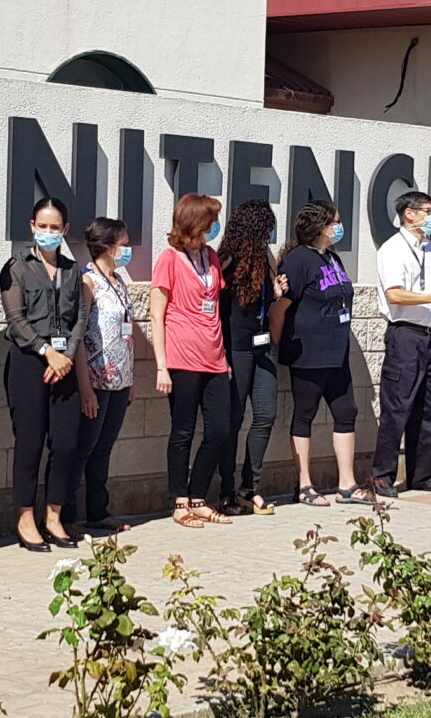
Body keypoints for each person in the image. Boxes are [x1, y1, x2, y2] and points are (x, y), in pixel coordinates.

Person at [0, 198, 89, 549]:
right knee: (30, 442)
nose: (48, 232)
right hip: (30, 362)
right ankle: (25, 518)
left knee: (66, 444)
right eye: (43, 226)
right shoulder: (17, 267)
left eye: (55, 227)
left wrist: (66, 355)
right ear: (32, 226)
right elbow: (15, 319)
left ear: (65, 229)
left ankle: (54, 515)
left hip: (64, 363)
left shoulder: (71, 269)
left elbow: (80, 317)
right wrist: (46, 351)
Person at [271, 200, 364, 505]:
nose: (340, 227)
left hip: (337, 352)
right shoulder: (298, 261)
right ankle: (304, 486)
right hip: (308, 353)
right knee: (305, 414)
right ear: (321, 226)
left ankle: (347, 484)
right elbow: (280, 308)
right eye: (336, 222)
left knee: (346, 412)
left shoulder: (332, 259)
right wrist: (277, 342)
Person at [373, 190, 431, 497]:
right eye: (427, 210)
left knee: (428, 409)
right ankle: (382, 476)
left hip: (429, 336)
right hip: (404, 335)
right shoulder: (392, 249)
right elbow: (395, 294)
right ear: (409, 213)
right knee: (397, 408)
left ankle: (421, 475)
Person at [154, 192, 234, 526]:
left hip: (214, 358)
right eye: (211, 220)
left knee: (220, 430)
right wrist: (162, 366)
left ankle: (199, 494)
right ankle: (180, 501)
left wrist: (225, 358)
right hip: (182, 358)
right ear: (195, 222)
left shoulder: (211, 256)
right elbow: (157, 314)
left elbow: (213, 306)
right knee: (183, 431)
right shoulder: (169, 259)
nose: (215, 226)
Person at [66, 217, 145, 534]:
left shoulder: (119, 280)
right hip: (96, 379)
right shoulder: (89, 282)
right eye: (123, 243)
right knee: (83, 447)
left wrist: (131, 378)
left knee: (104, 447)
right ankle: (67, 514)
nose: (127, 249)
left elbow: (126, 332)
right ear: (108, 247)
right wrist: (85, 387)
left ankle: (98, 511)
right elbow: (79, 335)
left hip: (120, 380)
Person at [215, 199, 282, 515]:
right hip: (236, 347)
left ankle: (250, 486)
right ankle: (227, 490)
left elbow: (261, 303)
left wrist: (276, 293)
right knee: (234, 418)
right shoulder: (227, 260)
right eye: (266, 229)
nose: (269, 236)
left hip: (263, 345)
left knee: (266, 414)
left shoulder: (265, 258)